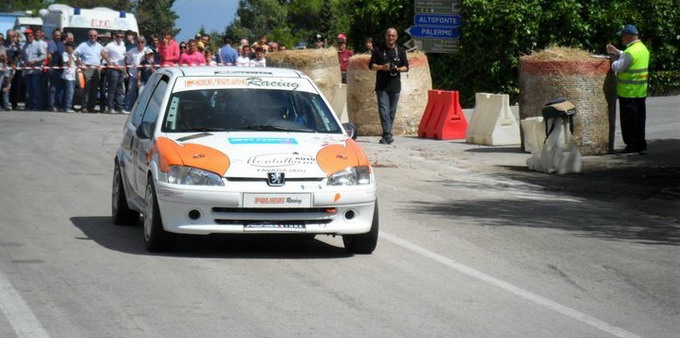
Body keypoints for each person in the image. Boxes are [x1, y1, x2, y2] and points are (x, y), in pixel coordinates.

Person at [606, 24, 650, 155]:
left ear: (629, 37)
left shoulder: (630, 52)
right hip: (640, 91)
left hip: (628, 92)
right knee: (639, 120)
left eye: (623, 37)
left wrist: (613, 59)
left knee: (629, 121)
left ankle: (631, 146)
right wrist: (618, 51)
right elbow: (629, 58)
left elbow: (618, 67)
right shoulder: (642, 48)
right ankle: (641, 145)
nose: (622, 40)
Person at [369, 27, 409, 145]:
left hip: (395, 86)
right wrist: (382, 67)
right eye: (389, 35)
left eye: (393, 36)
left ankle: (385, 136)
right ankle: (388, 134)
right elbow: (371, 66)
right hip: (382, 86)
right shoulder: (378, 51)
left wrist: (397, 68)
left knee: (391, 112)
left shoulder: (400, 51)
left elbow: (406, 67)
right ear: (385, 36)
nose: (391, 38)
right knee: (383, 110)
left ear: (396, 37)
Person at [74, 29, 107, 113]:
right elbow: (74, 54)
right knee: (87, 89)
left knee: (94, 89)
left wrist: (102, 66)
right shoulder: (83, 45)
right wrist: (80, 64)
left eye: (95, 36)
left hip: (96, 69)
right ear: (88, 36)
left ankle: (91, 107)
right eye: (91, 35)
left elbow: (104, 56)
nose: (93, 37)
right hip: (87, 69)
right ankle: (84, 106)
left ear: (97, 36)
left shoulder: (99, 46)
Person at [22, 28, 47, 110]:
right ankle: (31, 104)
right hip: (27, 71)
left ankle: (37, 105)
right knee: (29, 89)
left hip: (36, 70)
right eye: (26, 36)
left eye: (29, 35)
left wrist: (35, 61)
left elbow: (43, 55)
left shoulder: (37, 44)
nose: (28, 37)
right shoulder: (24, 46)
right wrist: (24, 63)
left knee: (36, 88)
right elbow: (23, 57)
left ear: (32, 35)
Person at [103, 30, 127, 113]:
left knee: (120, 90)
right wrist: (108, 61)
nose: (120, 38)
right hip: (113, 69)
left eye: (121, 37)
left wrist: (125, 71)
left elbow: (123, 59)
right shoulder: (110, 45)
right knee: (112, 89)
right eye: (118, 36)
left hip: (120, 69)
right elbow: (102, 52)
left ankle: (119, 108)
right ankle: (110, 107)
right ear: (114, 37)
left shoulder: (123, 45)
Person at [124, 36, 148, 112]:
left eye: (142, 42)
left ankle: (140, 110)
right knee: (131, 91)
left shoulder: (148, 50)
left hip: (144, 76)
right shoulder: (132, 51)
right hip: (133, 74)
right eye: (138, 42)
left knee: (142, 93)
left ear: (145, 43)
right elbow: (128, 62)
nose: (140, 44)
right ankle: (128, 108)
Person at [46, 28, 65, 111]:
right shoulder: (52, 43)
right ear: (53, 35)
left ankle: (58, 104)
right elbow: (49, 56)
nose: (58, 37)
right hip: (54, 68)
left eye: (59, 36)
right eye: (56, 35)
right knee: (53, 88)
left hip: (60, 69)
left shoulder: (60, 44)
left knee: (59, 88)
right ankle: (52, 105)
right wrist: (51, 66)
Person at [61, 42, 77, 113]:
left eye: (72, 47)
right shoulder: (65, 54)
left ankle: (69, 105)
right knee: (69, 92)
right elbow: (69, 64)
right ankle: (67, 107)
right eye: (69, 47)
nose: (71, 48)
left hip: (73, 76)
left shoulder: (73, 54)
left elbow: (77, 61)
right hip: (67, 76)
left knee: (72, 92)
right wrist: (70, 55)